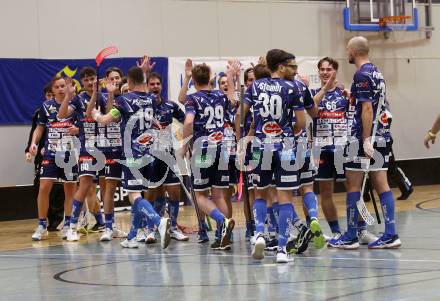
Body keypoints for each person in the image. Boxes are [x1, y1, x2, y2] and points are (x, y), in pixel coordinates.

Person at [328, 36, 402, 249]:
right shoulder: (376, 72)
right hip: (383, 135)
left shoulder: (361, 74)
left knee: (353, 184)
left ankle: (350, 235)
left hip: (363, 139)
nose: (346, 53)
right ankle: (391, 233)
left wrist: (366, 139)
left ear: (353, 51)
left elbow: (368, 109)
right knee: (381, 183)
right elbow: (376, 104)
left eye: (347, 50)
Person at [92, 66, 171, 249]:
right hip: (150, 153)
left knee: (134, 195)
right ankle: (133, 236)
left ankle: (159, 222)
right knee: (139, 193)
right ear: (144, 81)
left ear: (130, 82)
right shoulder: (151, 100)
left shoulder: (124, 100)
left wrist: (97, 115)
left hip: (132, 153)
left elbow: (106, 120)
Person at [239, 49, 306, 263]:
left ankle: (259, 233)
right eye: (291, 66)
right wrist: (288, 135)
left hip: (260, 145)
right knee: (285, 197)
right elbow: (302, 123)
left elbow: (240, 115)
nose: (294, 71)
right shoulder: (294, 87)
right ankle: (282, 249)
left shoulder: (255, 86)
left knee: (260, 194)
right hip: (285, 145)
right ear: (280, 67)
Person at [181, 63, 235, 250]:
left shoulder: (193, 99)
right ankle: (224, 234)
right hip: (221, 149)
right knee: (219, 195)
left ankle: (222, 222)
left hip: (203, 151)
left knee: (200, 194)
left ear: (194, 81)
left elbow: (188, 122)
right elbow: (233, 100)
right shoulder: (221, 95)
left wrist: (185, 144)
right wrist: (231, 77)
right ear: (211, 78)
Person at [58, 66, 107, 242]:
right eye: (85, 80)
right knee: (85, 185)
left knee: (106, 186)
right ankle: (72, 226)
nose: (89, 82)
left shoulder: (107, 95)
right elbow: (62, 115)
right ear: (82, 82)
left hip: (107, 146)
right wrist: (68, 96)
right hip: (86, 147)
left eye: (91, 78)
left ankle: (108, 225)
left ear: (96, 78)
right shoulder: (78, 99)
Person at [140, 72, 189, 242]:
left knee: (174, 192)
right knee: (153, 192)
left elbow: (186, 120)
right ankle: (150, 228)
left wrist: (185, 141)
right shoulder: (143, 106)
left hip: (168, 154)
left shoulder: (170, 105)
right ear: (147, 86)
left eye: (157, 84)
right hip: (150, 155)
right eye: (151, 84)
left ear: (161, 86)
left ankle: (173, 228)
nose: (154, 87)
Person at [28, 76, 77, 240]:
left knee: (70, 188)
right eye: (57, 87)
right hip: (51, 152)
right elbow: (39, 128)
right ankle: (42, 224)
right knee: (44, 187)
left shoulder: (75, 104)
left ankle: (68, 225)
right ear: (53, 90)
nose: (61, 89)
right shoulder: (46, 106)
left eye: (63, 86)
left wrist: (77, 130)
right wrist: (34, 143)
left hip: (70, 153)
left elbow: (83, 125)